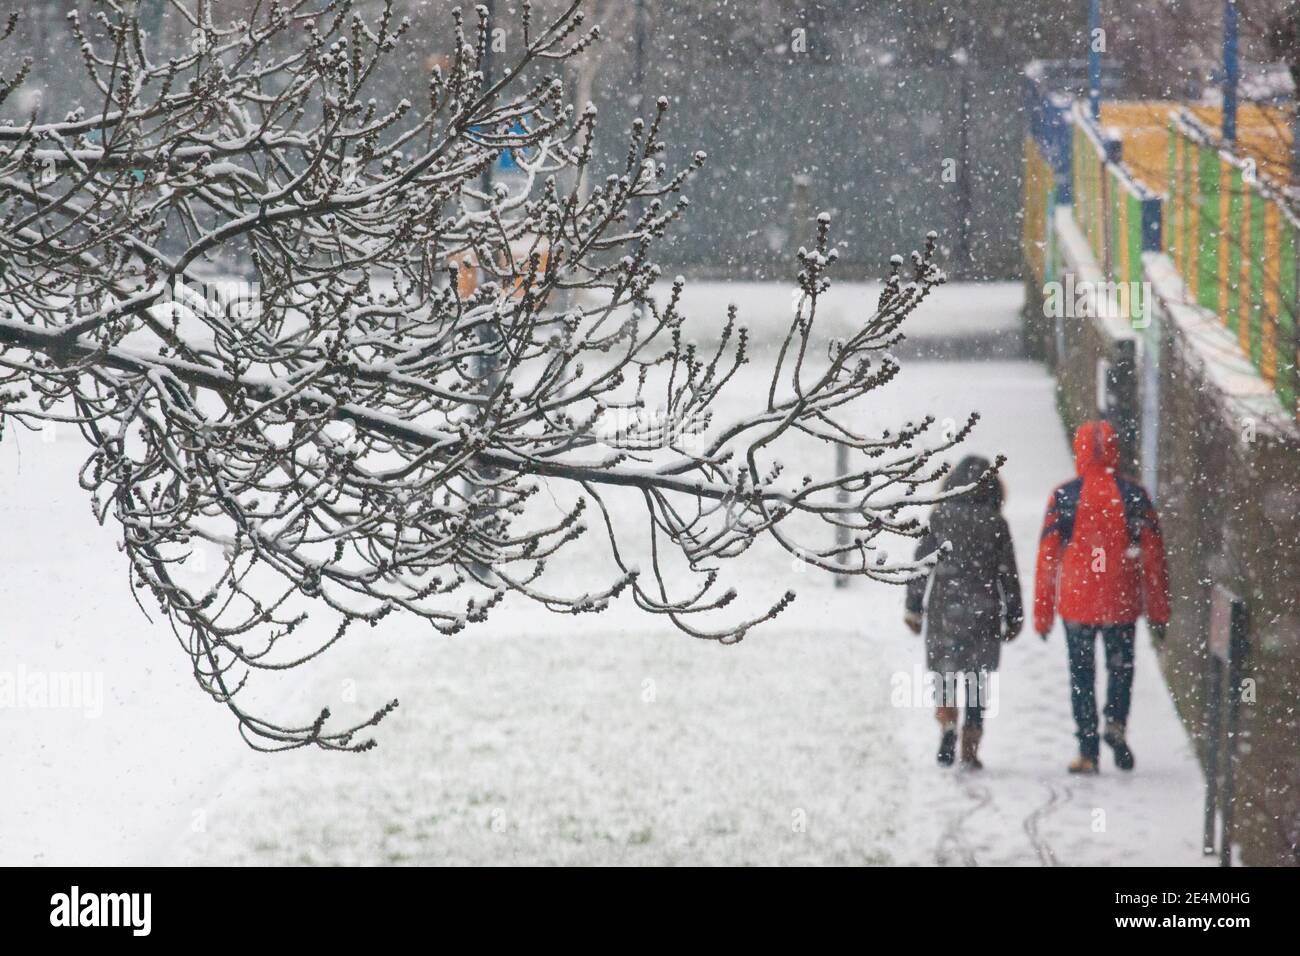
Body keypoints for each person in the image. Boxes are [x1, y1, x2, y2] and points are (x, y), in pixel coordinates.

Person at [1033, 420, 1170, 775]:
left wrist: (1042, 613)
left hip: (1077, 602)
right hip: (1121, 600)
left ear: (1079, 450)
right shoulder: (1135, 495)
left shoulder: (1064, 496)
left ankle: (1088, 750)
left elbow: (1047, 558)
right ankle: (1116, 723)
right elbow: (1154, 556)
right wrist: (1158, 610)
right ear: (1115, 450)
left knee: (1082, 675)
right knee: (1120, 668)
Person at [905, 456, 1023, 770]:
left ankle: (946, 723)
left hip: (946, 608)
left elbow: (921, 565)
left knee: (946, 672)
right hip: (984, 612)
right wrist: (1015, 614)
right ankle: (970, 745)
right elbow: (1007, 573)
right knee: (976, 680)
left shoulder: (939, 517)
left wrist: (913, 608)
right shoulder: (996, 523)